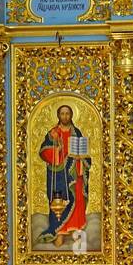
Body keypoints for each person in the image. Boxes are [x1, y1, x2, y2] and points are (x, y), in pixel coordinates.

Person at [38, 104, 91, 246]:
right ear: (58, 115)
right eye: (62, 113)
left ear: (71, 115)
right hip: (58, 174)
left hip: (74, 172)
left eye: (68, 113)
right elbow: (43, 152)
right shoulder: (53, 133)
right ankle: (59, 233)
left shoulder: (77, 132)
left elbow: (85, 155)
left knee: (78, 197)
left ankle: (76, 231)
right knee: (59, 201)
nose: (65, 116)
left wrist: (81, 158)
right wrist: (57, 150)